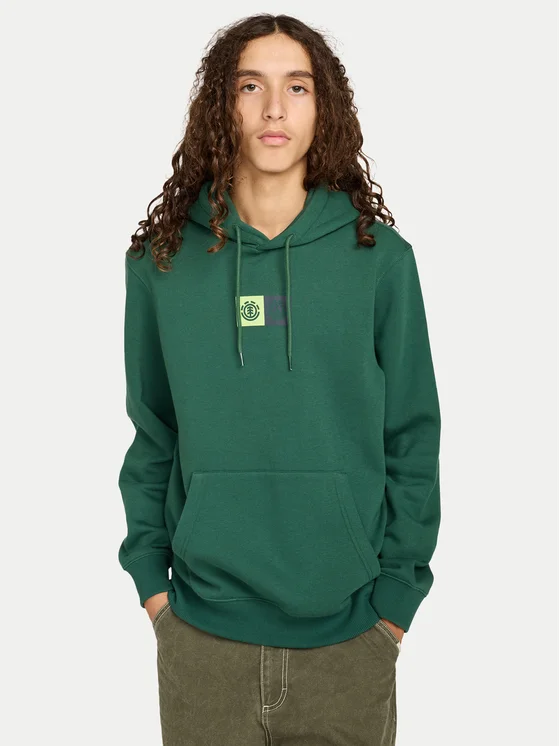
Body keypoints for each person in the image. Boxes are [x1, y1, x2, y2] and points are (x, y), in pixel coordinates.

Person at [117, 13, 441, 746]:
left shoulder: (380, 260)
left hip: (350, 636)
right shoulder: (161, 264)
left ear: (323, 108)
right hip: (201, 635)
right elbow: (152, 429)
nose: (273, 108)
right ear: (220, 105)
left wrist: (395, 602)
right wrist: (152, 585)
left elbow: (412, 434)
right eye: (250, 86)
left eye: (296, 87)